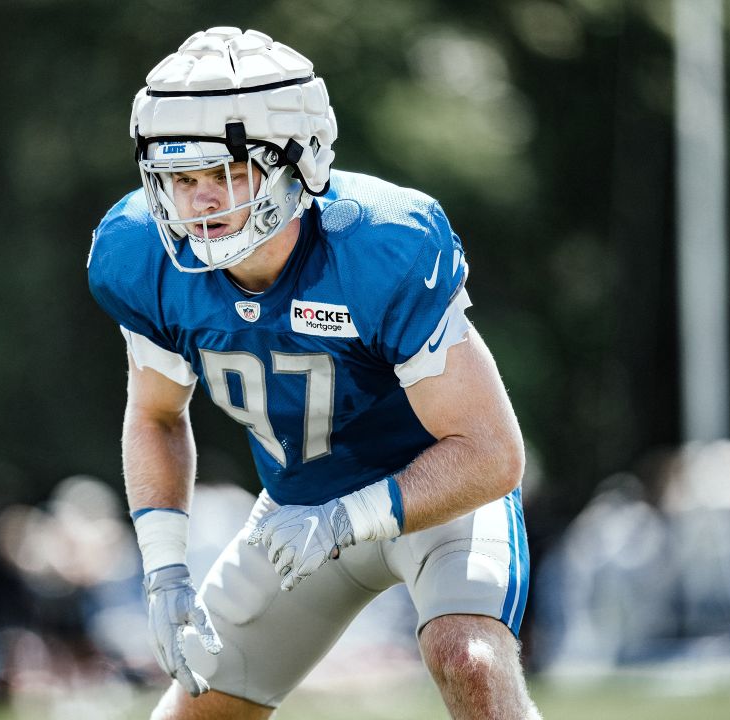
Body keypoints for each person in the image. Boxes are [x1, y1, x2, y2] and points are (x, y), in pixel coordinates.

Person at [88, 27, 541, 720]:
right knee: (195, 711)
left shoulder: (380, 245)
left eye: (225, 174)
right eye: (182, 179)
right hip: (297, 513)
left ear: (298, 162)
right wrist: (165, 568)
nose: (201, 203)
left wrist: (346, 521)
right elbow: (154, 414)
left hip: (436, 497)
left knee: (468, 661)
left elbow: (492, 454)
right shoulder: (143, 257)